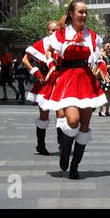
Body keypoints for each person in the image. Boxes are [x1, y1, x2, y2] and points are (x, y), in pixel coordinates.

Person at [44, 1, 109, 179]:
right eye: (81, 12)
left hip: (86, 78)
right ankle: (65, 149)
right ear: (72, 14)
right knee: (73, 120)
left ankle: (75, 166)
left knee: (85, 125)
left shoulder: (92, 35)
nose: (84, 15)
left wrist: (102, 67)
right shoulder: (61, 34)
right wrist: (51, 64)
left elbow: (97, 57)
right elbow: (48, 50)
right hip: (68, 77)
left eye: (86, 12)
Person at [22, 21, 65, 156]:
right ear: (47, 31)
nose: (54, 32)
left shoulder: (63, 43)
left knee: (61, 114)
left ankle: (62, 144)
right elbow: (25, 59)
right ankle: (40, 145)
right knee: (44, 116)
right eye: (52, 30)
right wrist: (36, 72)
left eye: (57, 30)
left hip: (60, 81)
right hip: (45, 81)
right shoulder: (42, 43)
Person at [98, 43, 110, 117]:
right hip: (103, 75)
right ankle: (101, 110)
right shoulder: (101, 56)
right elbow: (99, 65)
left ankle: (107, 110)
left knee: (108, 93)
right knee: (102, 93)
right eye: (108, 46)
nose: (109, 47)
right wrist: (108, 66)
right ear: (104, 47)